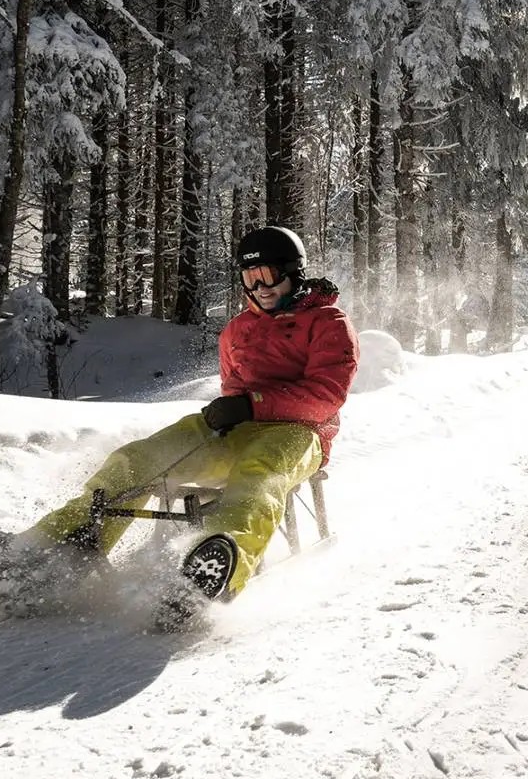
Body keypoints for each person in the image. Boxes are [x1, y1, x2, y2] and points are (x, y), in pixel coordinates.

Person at [22, 225, 357, 599]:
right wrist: (231, 410)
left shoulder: (329, 323)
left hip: (301, 432)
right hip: (239, 427)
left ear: (294, 272)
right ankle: (50, 550)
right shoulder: (237, 330)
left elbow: (327, 396)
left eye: (269, 275)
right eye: (251, 277)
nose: (261, 287)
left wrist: (251, 405)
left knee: (257, 474)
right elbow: (234, 389)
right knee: (138, 458)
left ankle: (217, 568)